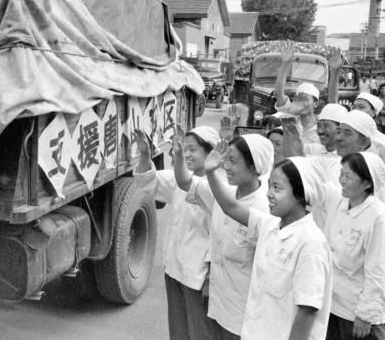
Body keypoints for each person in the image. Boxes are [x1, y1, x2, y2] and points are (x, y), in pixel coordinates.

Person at [204, 149, 332, 340]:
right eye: (269, 186)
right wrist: (210, 173)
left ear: (300, 194)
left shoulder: (310, 243)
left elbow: (307, 312)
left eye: (277, 188)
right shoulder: (269, 225)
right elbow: (230, 207)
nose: (269, 194)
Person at [133, 126, 219, 340]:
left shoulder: (218, 189)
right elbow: (148, 180)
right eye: (184, 149)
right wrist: (145, 155)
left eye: (193, 150)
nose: (187, 154)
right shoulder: (178, 179)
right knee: (179, 331)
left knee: (200, 332)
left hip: (198, 274)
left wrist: (211, 276)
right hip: (175, 269)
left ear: (211, 153)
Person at [186, 134, 273, 339]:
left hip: (245, 311)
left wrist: (210, 172)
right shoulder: (227, 191)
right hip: (218, 302)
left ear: (254, 167)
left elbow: (229, 207)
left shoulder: (264, 208)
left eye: (233, 161)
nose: (226, 166)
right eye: (226, 160)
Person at [325, 152, 385, 340]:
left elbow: (378, 269)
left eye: (348, 176)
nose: (341, 180)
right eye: (341, 173)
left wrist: (366, 315)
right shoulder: (340, 201)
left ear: (367, 183)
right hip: (332, 304)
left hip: (356, 313)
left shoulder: (378, 217)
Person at [274, 42, 321, 147]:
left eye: (304, 99)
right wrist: (285, 63)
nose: (300, 103)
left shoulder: (322, 126)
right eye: (297, 99)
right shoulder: (290, 116)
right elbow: (278, 93)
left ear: (315, 103)